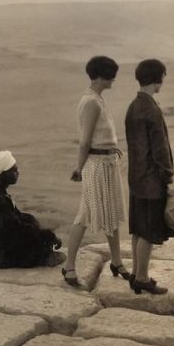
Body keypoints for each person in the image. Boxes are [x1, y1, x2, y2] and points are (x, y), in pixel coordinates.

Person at [62, 56, 130, 287]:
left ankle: (117, 262)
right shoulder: (91, 102)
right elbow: (84, 141)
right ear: (101, 76)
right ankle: (70, 267)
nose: (114, 79)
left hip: (106, 164)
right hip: (98, 165)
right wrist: (78, 168)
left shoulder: (96, 99)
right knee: (86, 214)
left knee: (104, 213)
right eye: (111, 75)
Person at [125, 58, 174, 295]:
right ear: (157, 79)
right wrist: (168, 177)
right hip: (151, 181)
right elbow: (160, 150)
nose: (163, 81)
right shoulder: (151, 110)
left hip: (136, 178)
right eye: (162, 77)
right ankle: (142, 278)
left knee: (138, 229)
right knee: (148, 231)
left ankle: (136, 274)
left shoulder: (134, 106)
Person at [0, 150, 65, 268]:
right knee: (29, 240)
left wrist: (37, 228)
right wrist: (49, 236)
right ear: (3, 174)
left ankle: (43, 252)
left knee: (30, 220)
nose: (18, 173)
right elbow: (17, 229)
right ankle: (43, 256)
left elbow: (17, 218)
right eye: (14, 170)